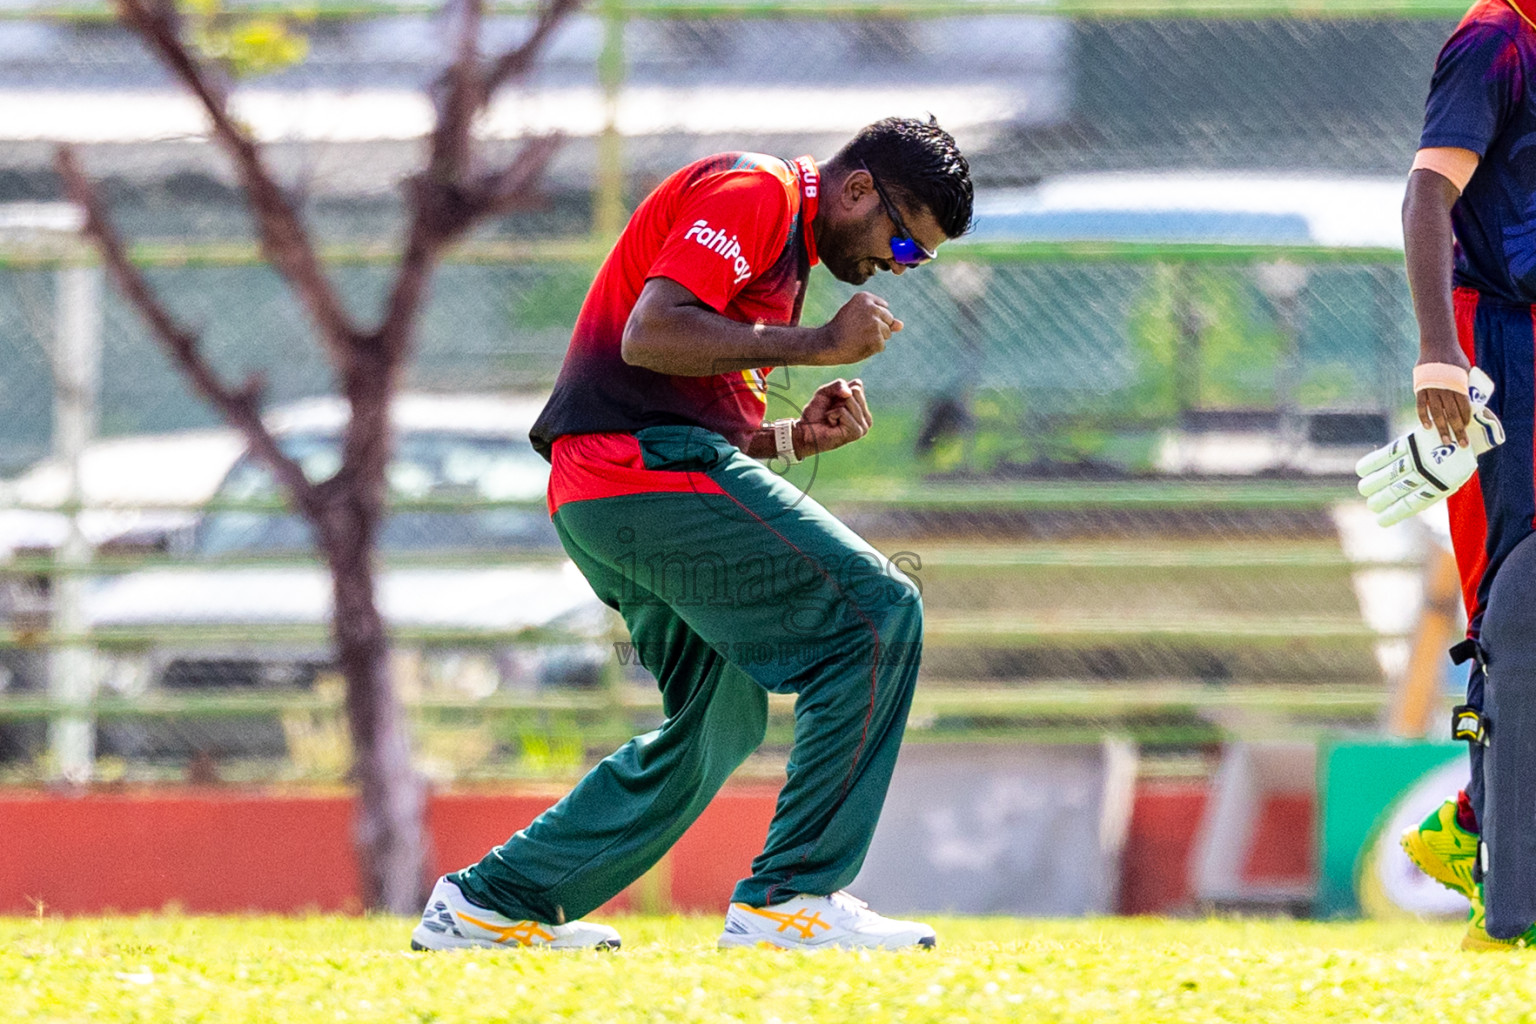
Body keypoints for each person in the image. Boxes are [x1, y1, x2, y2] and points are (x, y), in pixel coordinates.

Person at [411, 117, 973, 952]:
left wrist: (789, 440)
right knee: (877, 615)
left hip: (610, 487)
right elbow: (651, 332)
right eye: (903, 246)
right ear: (858, 191)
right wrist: (820, 344)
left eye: (914, 263)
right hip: (636, 472)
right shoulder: (757, 194)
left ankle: (492, 906)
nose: (897, 268)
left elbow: (689, 402)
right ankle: (792, 898)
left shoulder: (780, 255)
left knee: (719, 718)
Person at [1390, 0, 1536, 951]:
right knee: (1508, 596)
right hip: (1499, 344)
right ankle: (1479, 840)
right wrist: (1440, 354)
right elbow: (1426, 197)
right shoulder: (1499, 38)